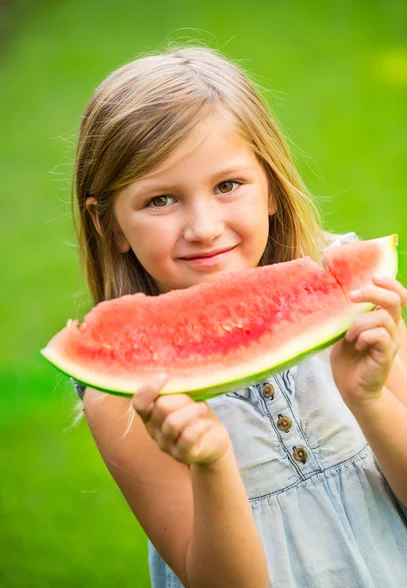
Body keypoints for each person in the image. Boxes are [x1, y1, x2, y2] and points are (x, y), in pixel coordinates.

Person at [69, 45, 407, 588]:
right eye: (160, 200)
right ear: (108, 224)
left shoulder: (356, 296)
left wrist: (369, 401)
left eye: (228, 186)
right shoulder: (123, 397)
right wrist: (211, 464)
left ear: (270, 187)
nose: (203, 227)